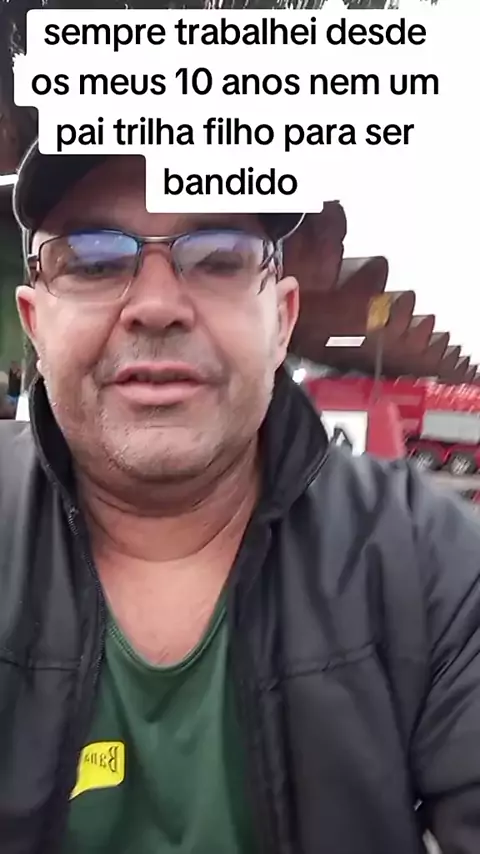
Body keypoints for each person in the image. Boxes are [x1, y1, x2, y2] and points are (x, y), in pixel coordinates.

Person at [1, 142, 480, 854]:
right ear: (36, 323)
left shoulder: (432, 561)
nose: (157, 306)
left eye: (219, 257)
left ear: (282, 320)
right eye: (95, 259)